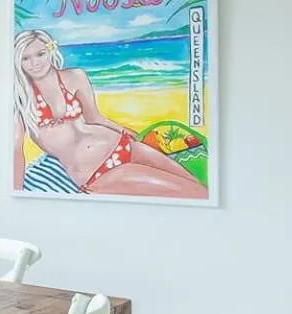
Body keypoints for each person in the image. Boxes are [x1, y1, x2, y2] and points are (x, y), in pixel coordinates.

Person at [13, 29, 206, 198]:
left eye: (40, 54)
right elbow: (16, 150)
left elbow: (94, 118)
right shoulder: (21, 99)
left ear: (50, 51)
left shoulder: (75, 76)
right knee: (194, 195)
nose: (35, 63)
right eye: (26, 58)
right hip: (98, 170)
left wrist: (131, 134)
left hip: (123, 144)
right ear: (18, 61)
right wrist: (16, 193)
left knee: (201, 187)